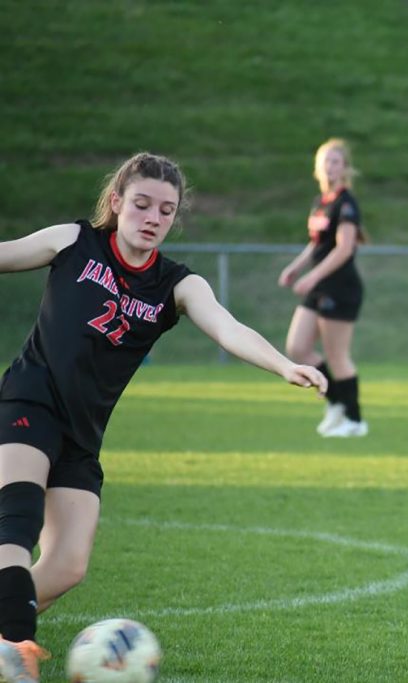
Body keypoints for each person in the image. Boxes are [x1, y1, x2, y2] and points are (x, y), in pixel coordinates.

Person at [0, 153, 327, 682]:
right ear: (117, 202)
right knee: (15, 527)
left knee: (67, 566)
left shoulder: (176, 284)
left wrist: (284, 364)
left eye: (166, 210)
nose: (153, 217)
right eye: (142, 204)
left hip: (83, 435)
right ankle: (15, 648)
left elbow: (228, 328)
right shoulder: (72, 241)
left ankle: (7, 620)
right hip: (27, 403)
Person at [278, 138, 369, 438]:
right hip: (319, 284)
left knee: (337, 356)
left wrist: (313, 277)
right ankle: (336, 403)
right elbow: (317, 244)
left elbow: (344, 249)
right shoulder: (322, 202)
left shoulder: (346, 202)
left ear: (345, 168)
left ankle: (355, 420)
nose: (329, 166)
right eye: (325, 161)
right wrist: (296, 267)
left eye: (335, 161)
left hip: (340, 286)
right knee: (297, 347)